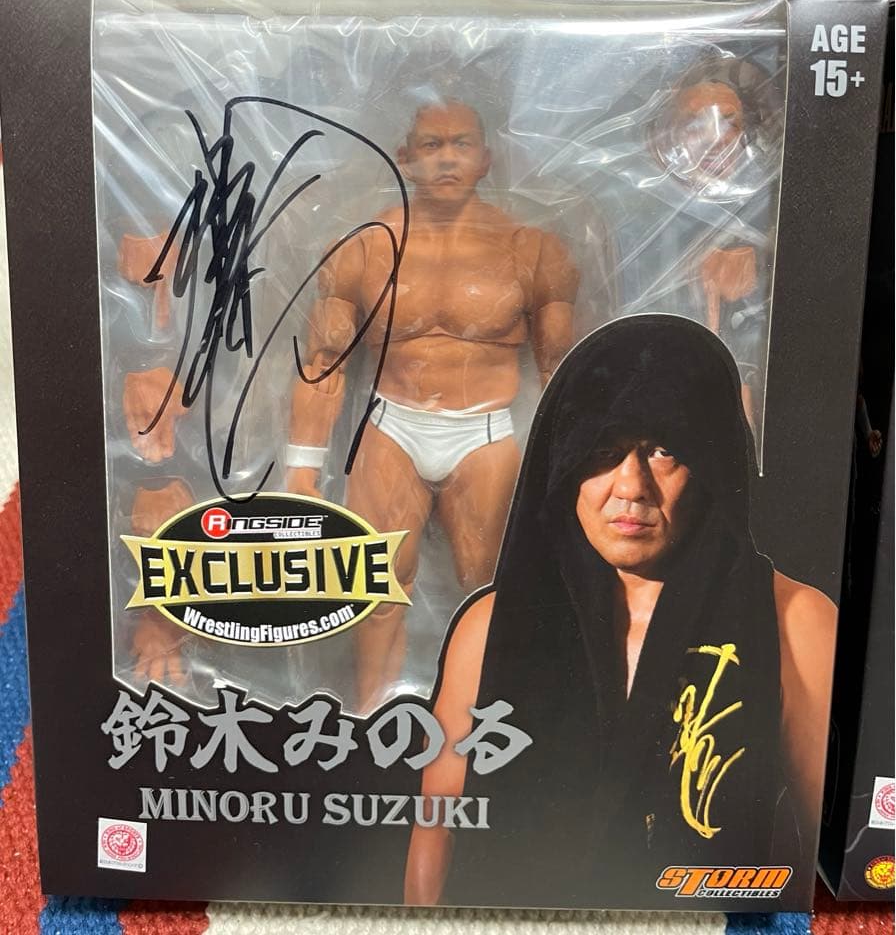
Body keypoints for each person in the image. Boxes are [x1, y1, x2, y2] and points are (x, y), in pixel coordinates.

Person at [405, 314, 836, 907]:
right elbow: (437, 828)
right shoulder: (490, 628)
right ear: (565, 463)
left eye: (663, 451)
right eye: (603, 451)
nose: (631, 487)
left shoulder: (794, 622)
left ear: (710, 463)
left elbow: (834, 857)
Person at [286, 99, 580, 711]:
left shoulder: (531, 249)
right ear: (406, 158)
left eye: (461, 144)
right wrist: (301, 468)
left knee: (488, 590)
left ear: (485, 158)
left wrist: (571, 472)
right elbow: (323, 361)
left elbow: (562, 372)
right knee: (375, 588)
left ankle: (484, 726)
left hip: (485, 434)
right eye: (431, 145)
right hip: (391, 427)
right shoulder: (366, 247)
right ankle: (369, 717)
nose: (447, 158)